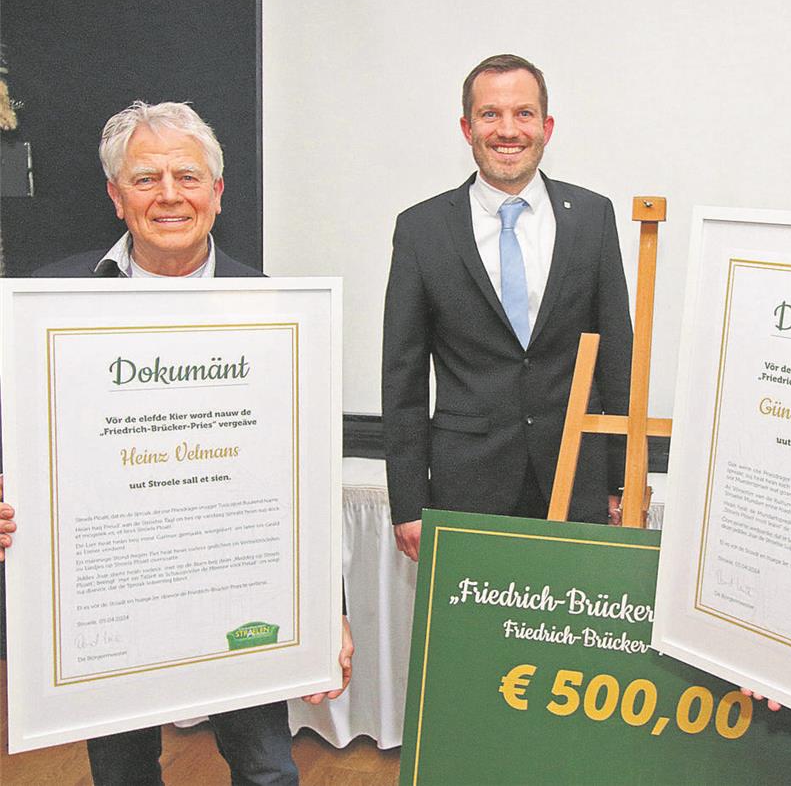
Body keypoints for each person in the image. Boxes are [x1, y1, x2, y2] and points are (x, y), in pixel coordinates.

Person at [2, 101, 354, 786]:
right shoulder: (50, 301)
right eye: (146, 178)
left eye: (188, 177)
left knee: (267, 769)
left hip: (235, 593)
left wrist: (326, 611)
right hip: (109, 602)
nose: (169, 196)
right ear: (114, 195)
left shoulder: (279, 309)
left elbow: (302, 475)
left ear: (218, 193)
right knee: (122, 772)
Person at [382, 55, 633, 561]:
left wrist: (620, 480)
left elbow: (617, 358)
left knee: (569, 634)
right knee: (471, 641)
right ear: (466, 127)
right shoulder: (422, 229)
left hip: (575, 483)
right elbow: (403, 376)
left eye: (524, 113)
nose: (508, 130)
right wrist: (408, 502)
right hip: (465, 488)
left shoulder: (592, 217)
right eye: (490, 114)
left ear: (547, 126)